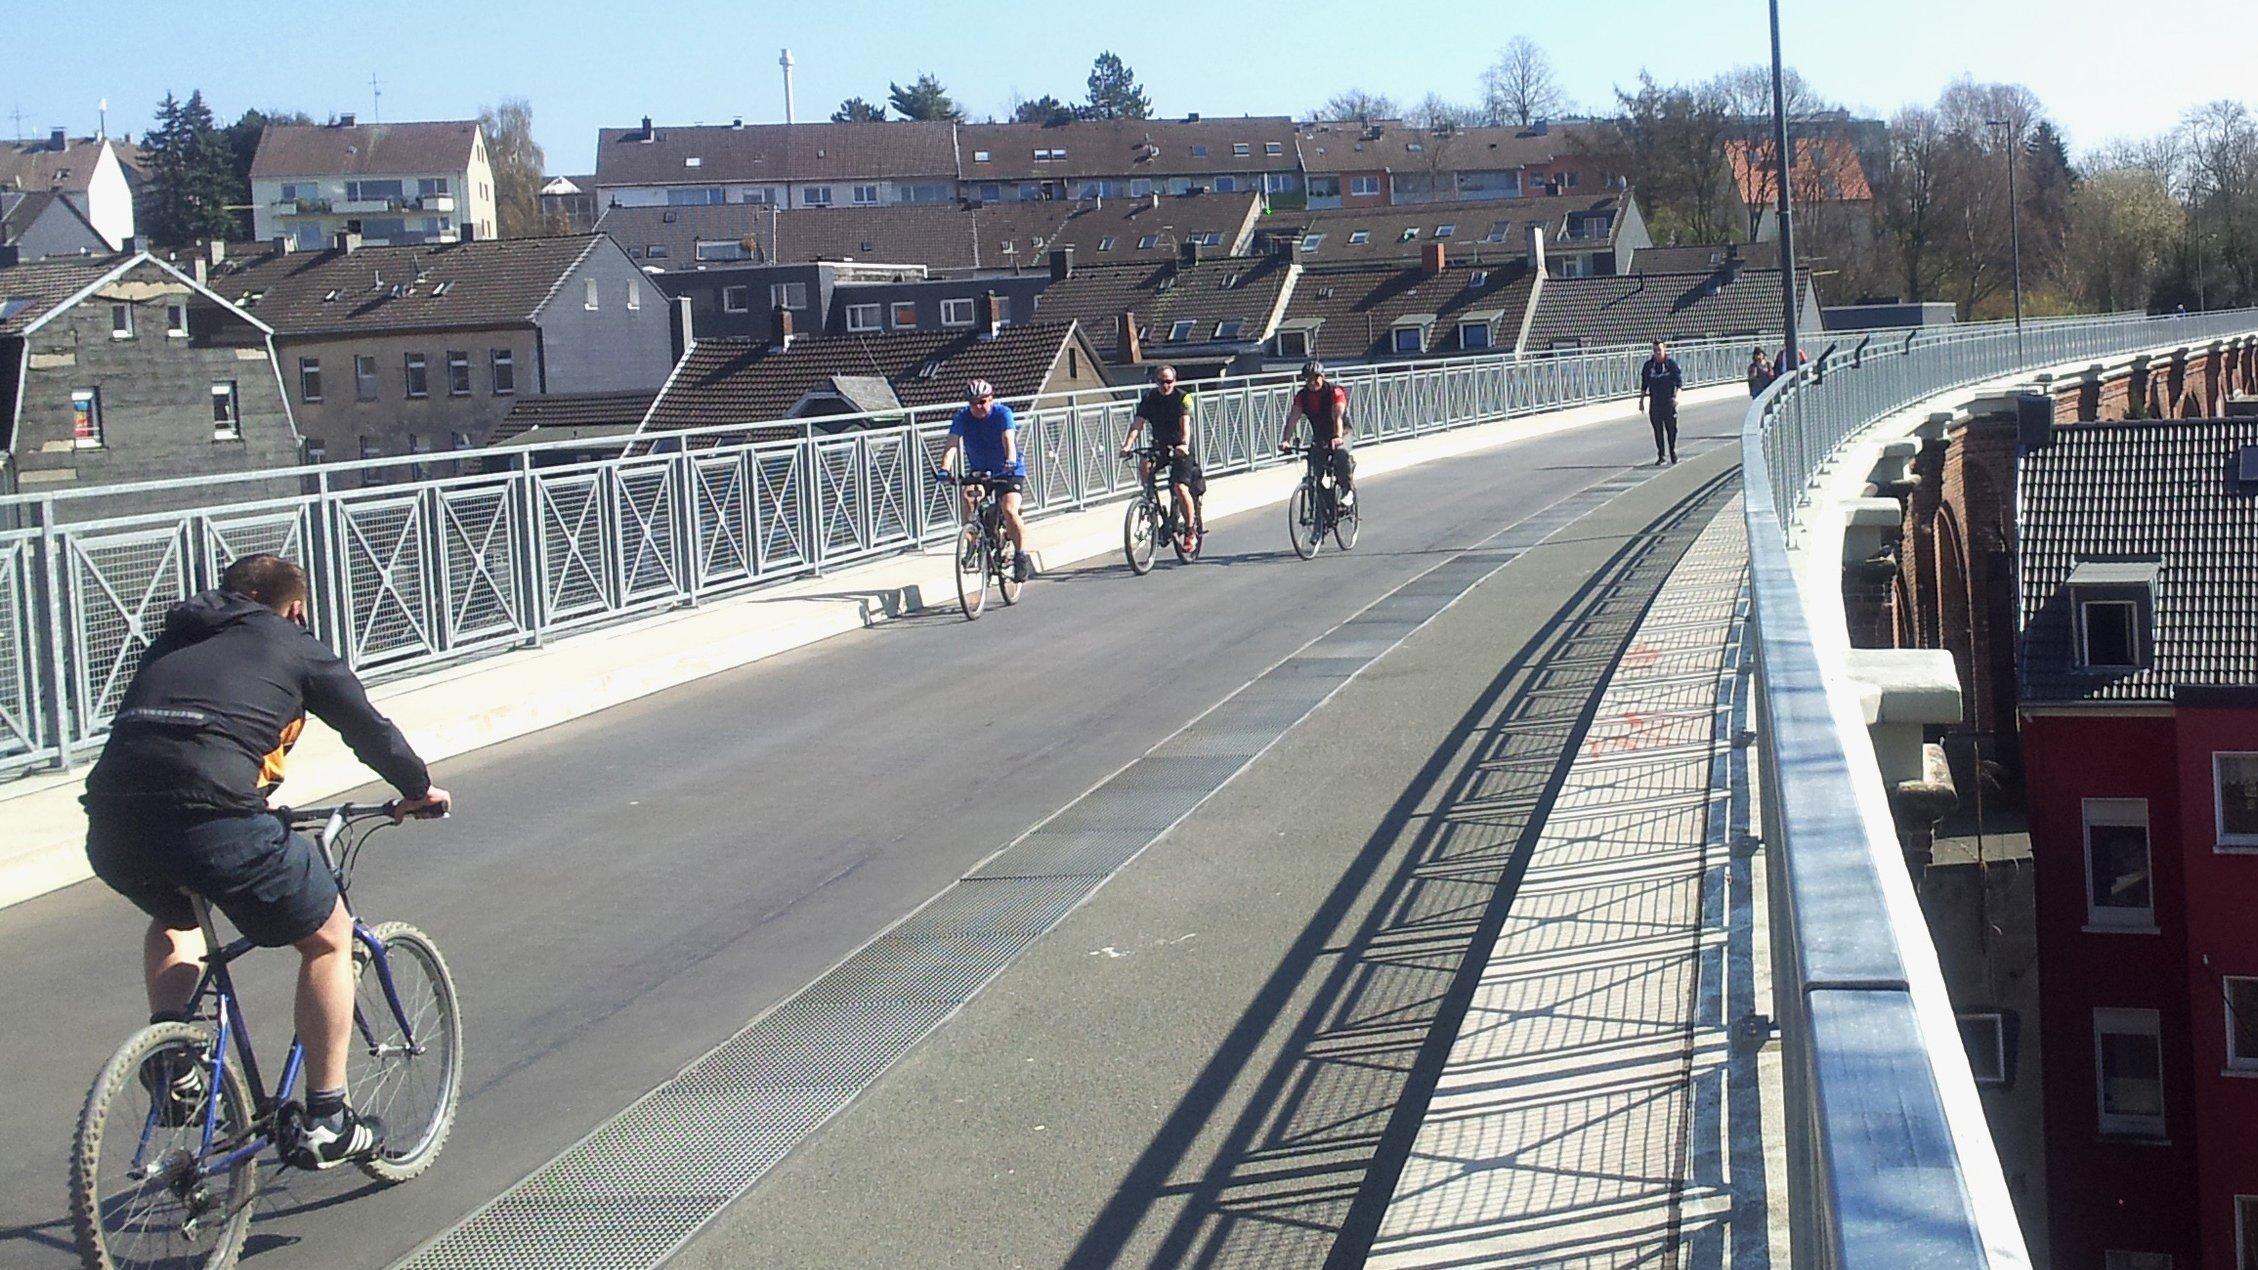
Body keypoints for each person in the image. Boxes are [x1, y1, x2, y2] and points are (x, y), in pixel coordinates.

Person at [83, 553, 451, 1170]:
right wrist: (417, 788)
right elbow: (367, 728)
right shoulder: (295, 642)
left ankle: (172, 1056)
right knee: (331, 940)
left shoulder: (174, 635)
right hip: (215, 816)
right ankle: (328, 1119)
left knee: (177, 915)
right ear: (296, 606)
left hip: (114, 819)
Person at [938, 378, 1032, 582]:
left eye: (982, 401)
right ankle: (972, 544)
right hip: (981, 471)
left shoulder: (1002, 413)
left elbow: (1008, 438)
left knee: (1009, 510)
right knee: (968, 498)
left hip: (1008, 470)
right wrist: (944, 468)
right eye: (973, 403)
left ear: (991, 399)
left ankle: (1020, 556)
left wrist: (1010, 459)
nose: (978, 407)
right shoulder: (962, 417)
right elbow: (952, 444)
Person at [1122, 364, 1202, 552]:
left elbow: (1186, 425)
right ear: (1156, 382)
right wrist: (1127, 445)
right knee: (1145, 463)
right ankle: (1148, 499)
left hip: (1181, 447)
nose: (1165, 385)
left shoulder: (1183, 397)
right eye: (1161, 381)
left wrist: (1183, 445)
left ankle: (1190, 531)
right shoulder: (1150, 398)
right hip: (1161, 445)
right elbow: (1137, 424)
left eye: (1169, 381)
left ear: (1175, 382)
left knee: (1179, 486)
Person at [1280, 360, 1354, 505]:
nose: (1312, 382)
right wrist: (1285, 440)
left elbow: (1337, 417)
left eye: (1316, 378)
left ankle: (1347, 490)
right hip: (1320, 436)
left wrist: (1337, 437)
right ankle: (1326, 504)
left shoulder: (1335, 392)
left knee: (1340, 453)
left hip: (1342, 432)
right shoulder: (1302, 396)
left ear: (1323, 377)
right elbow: (1292, 419)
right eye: (1308, 379)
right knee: (1315, 472)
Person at [1637, 339, 1684, 465]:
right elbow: (1644, 384)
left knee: (1671, 429)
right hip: (1655, 402)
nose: (1657, 352)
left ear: (1664, 350)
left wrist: (1677, 398)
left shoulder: (1671, 364)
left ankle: (1673, 452)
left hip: (1669, 401)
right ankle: (1661, 455)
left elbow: (1679, 384)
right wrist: (1641, 401)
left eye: (1659, 350)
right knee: (1658, 429)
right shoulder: (1648, 366)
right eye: (1655, 350)